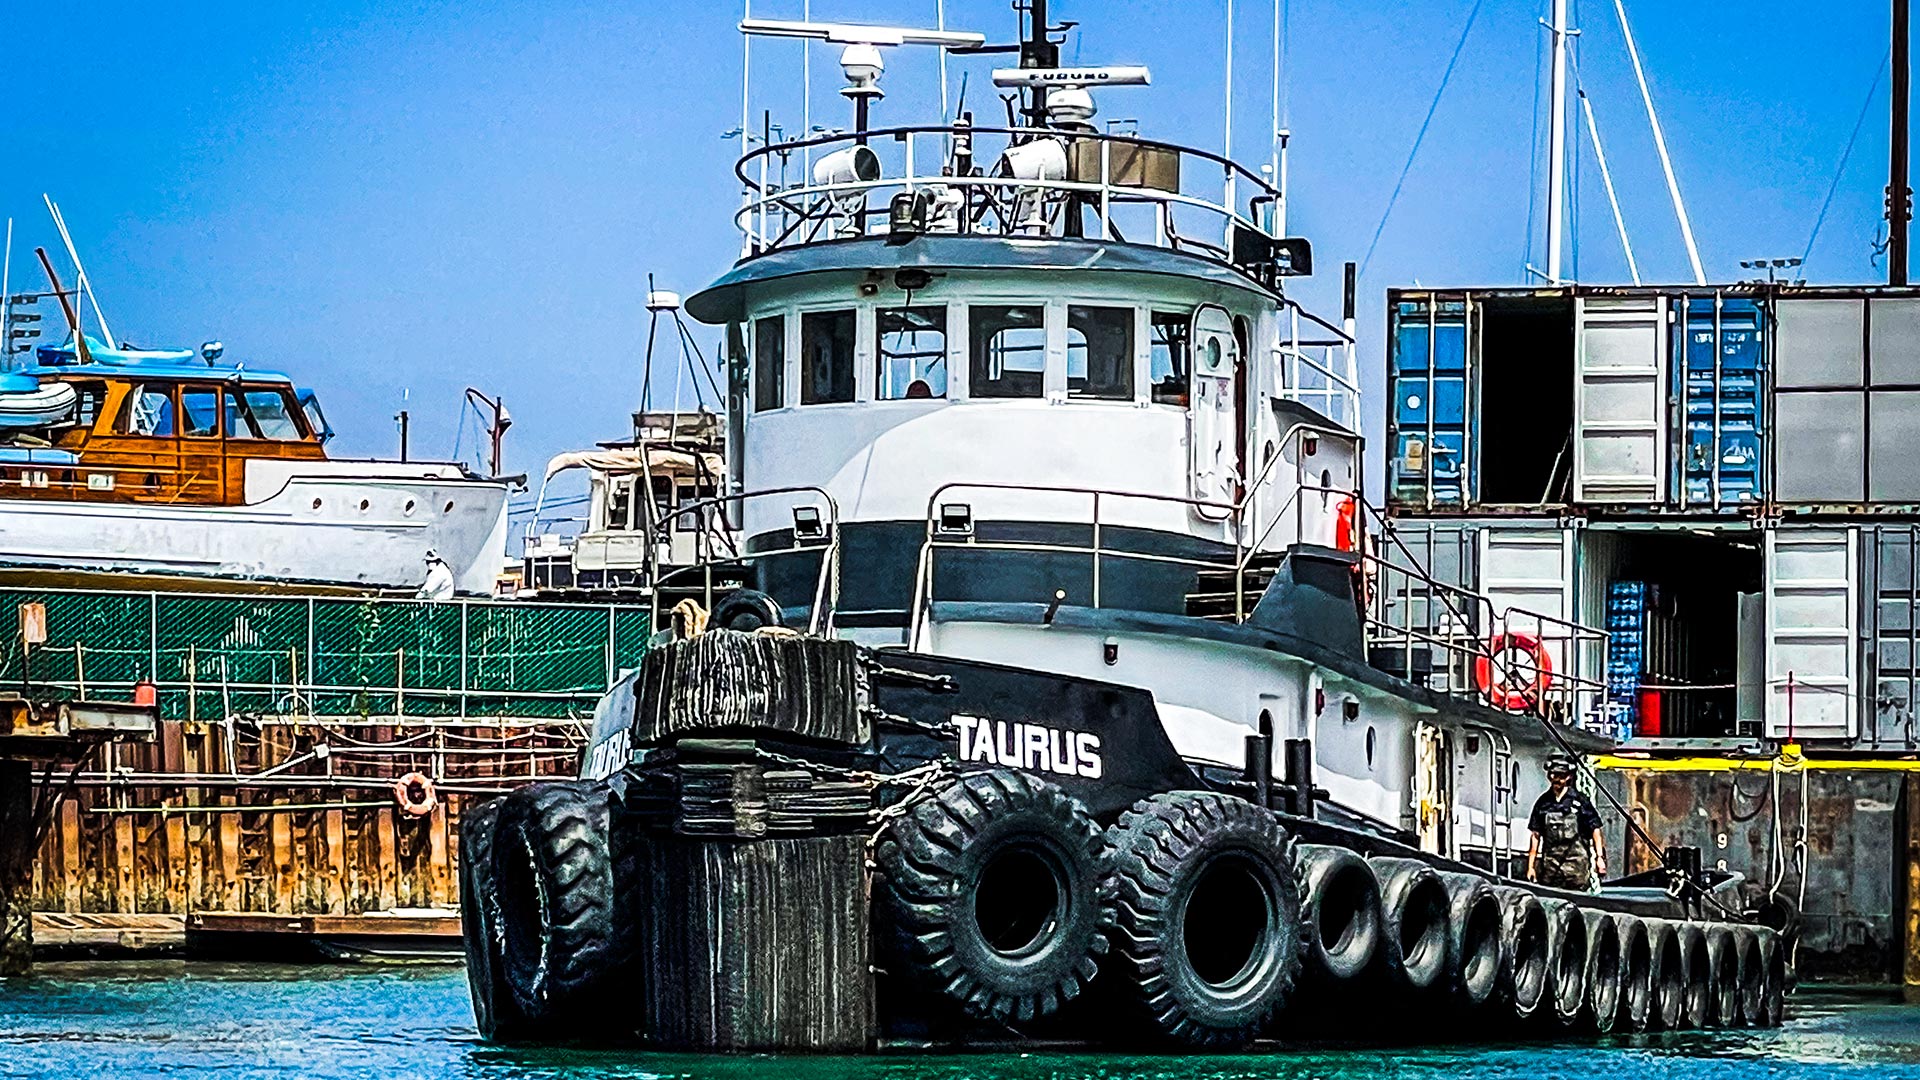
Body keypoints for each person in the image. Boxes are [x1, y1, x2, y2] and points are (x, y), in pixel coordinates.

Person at [1525, 757, 1605, 891]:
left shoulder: (1580, 801)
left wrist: (1599, 858)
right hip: (1550, 867)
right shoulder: (1543, 803)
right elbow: (1535, 835)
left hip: (1576, 867)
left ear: (1569, 777)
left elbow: (1595, 829)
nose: (1557, 779)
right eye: (1554, 775)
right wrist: (1530, 867)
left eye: (1561, 776)